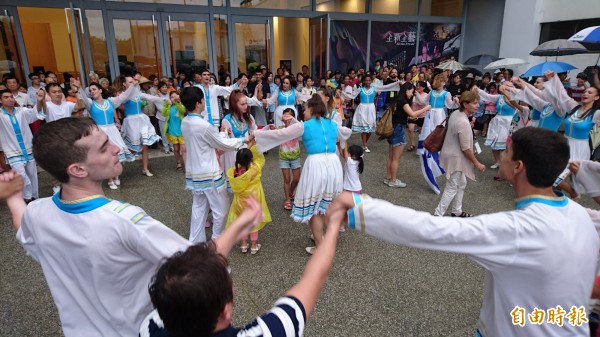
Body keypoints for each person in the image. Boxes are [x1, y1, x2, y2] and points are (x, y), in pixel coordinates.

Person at [327, 127, 599, 337]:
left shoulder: (518, 230)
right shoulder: (579, 216)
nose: (500, 155)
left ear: (518, 167)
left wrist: (359, 207)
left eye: (506, 151)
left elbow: (433, 230)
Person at [141, 199, 340, 337]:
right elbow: (314, 277)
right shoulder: (272, 331)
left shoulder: (151, 326)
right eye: (230, 287)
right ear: (225, 312)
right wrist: (332, 226)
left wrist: (240, 225)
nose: (233, 289)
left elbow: (198, 267)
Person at [254, 94, 351, 254]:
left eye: (305, 109)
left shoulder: (304, 126)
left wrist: (256, 135)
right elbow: (346, 132)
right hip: (334, 165)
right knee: (324, 205)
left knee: (314, 208)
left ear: (311, 109)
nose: (303, 112)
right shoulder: (333, 124)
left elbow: (279, 135)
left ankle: (320, 247)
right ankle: (319, 236)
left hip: (316, 165)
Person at [180, 86, 252, 243]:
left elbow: (211, 141)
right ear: (199, 103)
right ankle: (216, 243)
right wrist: (242, 140)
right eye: (203, 100)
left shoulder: (185, 122)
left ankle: (195, 242)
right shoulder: (203, 125)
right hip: (209, 172)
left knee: (199, 208)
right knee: (221, 209)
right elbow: (220, 144)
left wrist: (223, 133)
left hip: (195, 173)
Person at [77, 80, 137, 189]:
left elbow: (124, 96)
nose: (92, 92)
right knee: (107, 155)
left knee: (117, 152)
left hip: (112, 130)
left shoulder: (111, 101)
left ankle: (116, 175)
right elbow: (84, 99)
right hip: (100, 132)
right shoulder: (91, 103)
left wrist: (132, 85)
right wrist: (79, 88)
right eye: (90, 90)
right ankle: (110, 179)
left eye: (94, 89)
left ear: (100, 90)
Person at [434, 91, 486, 217]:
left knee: (461, 183)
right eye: (474, 103)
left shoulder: (456, 113)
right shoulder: (462, 121)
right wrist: (477, 163)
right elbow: (466, 148)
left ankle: (456, 211)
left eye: (477, 102)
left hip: (451, 154)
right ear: (465, 104)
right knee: (452, 186)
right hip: (456, 158)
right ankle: (437, 215)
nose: (477, 105)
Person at [414, 73, 459, 194]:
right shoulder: (431, 92)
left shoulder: (446, 93)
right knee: (429, 132)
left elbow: (449, 105)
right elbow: (423, 101)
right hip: (430, 114)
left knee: (438, 133)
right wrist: (416, 92)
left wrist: (456, 101)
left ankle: (437, 151)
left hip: (439, 114)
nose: (440, 83)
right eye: (439, 81)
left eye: (441, 81)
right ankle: (429, 148)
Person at [0, 88, 46, 203]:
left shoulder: (22, 111)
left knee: (32, 175)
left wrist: (39, 100)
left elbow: (36, 114)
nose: (10, 99)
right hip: (12, 151)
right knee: (22, 176)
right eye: (6, 97)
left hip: (28, 148)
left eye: (11, 96)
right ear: (0, 100)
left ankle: (35, 197)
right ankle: (27, 197)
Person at [226, 145, 271, 254]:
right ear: (251, 159)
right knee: (253, 223)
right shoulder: (254, 169)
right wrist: (253, 145)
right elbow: (259, 158)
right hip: (253, 201)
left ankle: (243, 245)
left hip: (240, 203)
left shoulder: (235, 172)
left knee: (244, 223)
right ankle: (254, 246)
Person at [385, 82, 431, 188]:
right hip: (399, 129)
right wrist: (426, 108)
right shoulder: (403, 101)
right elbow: (413, 113)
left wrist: (409, 118)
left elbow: (399, 115)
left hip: (392, 128)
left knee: (391, 156)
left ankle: (388, 178)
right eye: (412, 91)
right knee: (396, 158)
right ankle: (393, 180)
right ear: (406, 90)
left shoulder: (396, 99)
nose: (412, 94)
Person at [342, 75, 400, 153]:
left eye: (369, 80)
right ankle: (365, 145)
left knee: (370, 129)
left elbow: (386, 87)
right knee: (364, 129)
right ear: (363, 81)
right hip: (362, 108)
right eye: (366, 80)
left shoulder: (374, 88)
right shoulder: (360, 89)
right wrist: (342, 92)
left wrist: (397, 83)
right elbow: (352, 96)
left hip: (371, 108)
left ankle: (364, 143)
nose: (368, 82)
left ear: (371, 81)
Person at [277, 108, 301, 211]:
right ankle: (287, 199)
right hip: (284, 157)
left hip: (295, 157)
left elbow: (302, 128)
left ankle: (291, 192)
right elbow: (271, 135)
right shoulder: (280, 128)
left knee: (296, 179)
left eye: (288, 116)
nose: (286, 118)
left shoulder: (297, 128)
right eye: (284, 116)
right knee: (287, 179)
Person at [161, 91, 186, 170]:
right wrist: (165, 105)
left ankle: (187, 164)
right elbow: (163, 114)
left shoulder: (182, 105)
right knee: (176, 149)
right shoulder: (169, 106)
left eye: (176, 97)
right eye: (172, 97)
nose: (174, 99)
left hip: (182, 131)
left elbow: (183, 111)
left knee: (184, 149)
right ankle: (178, 163)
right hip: (172, 131)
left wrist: (178, 103)